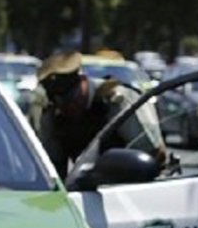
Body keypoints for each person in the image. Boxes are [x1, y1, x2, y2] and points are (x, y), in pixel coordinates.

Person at [30, 50, 166, 180]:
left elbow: (152, 154)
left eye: (72, 98)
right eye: (59, 102)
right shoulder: (53, 114)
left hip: (133, 185)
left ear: (83, 81)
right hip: (87, 186)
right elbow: (51, 166)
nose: (68, 106)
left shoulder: (117, 100)